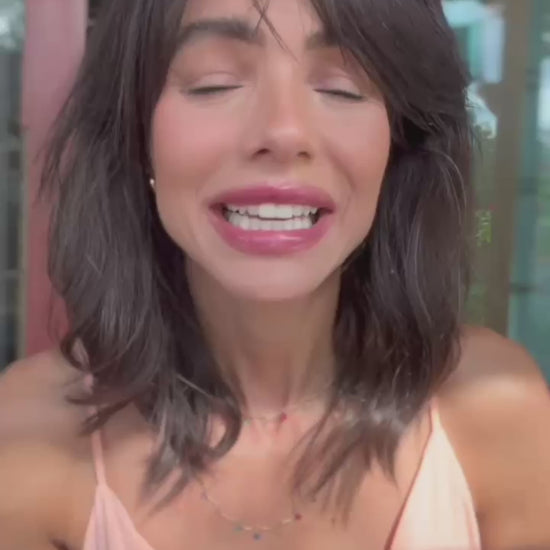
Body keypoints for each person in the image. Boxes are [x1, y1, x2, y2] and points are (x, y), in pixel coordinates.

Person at [1, 0, 549, 548]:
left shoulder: (500, 410)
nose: (284, 132)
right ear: (138, 136)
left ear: (397, 144)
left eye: (342, 88)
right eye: (215, 83)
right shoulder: (25, 436)